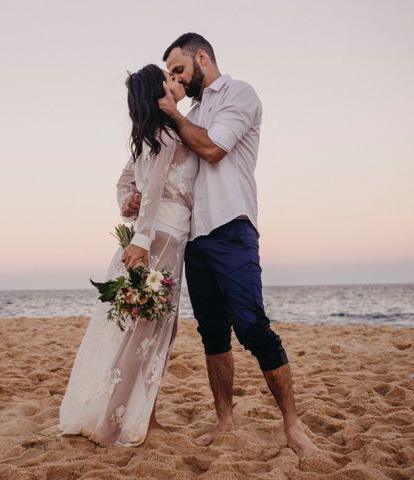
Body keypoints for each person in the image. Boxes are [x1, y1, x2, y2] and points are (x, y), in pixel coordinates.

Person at [122, 33, 319, 457]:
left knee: (252, 326)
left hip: (233, 227)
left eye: (178, 69)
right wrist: (136, 194)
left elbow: (212, 148)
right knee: (213, 334)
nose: (174, 78)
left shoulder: (239, 94)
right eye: (170, 73)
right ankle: (224, 419)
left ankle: (293, 424)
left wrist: (173, 113)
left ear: (202, 57)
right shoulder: (190, 111)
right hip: (195, 238)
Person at [59, 64, 198, 446]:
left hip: (155, 237)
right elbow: (150, 191)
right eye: (168, 79)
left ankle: (141, 415)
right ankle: (111, 423)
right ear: (157, 93)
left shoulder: (152, 136)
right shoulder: (166, 135)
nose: (175, 82)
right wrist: (139, 232)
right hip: (161, 241)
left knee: (151, 332)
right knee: (145, 332)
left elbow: (125, 183)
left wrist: (127, 202)